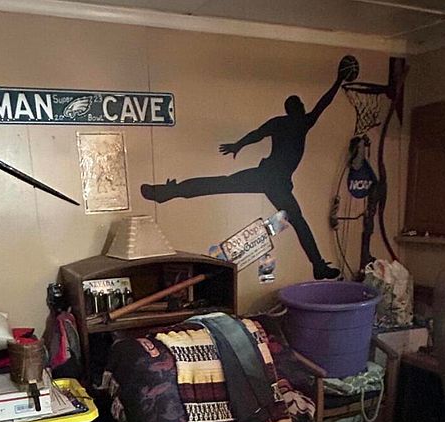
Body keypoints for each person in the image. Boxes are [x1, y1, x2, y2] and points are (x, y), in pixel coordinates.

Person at [142, 67, 353, 280]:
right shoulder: (300, 122)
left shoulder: (287, 122)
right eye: (299, 105)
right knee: (295, 219)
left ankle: (169, 191)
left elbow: (257, 134)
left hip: (271, 178)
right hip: (272, 179)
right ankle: (168, 192)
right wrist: (338, 80)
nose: (302, 107)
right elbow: (322, 104)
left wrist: (239, 145)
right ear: (296, 108)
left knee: (223, 184)